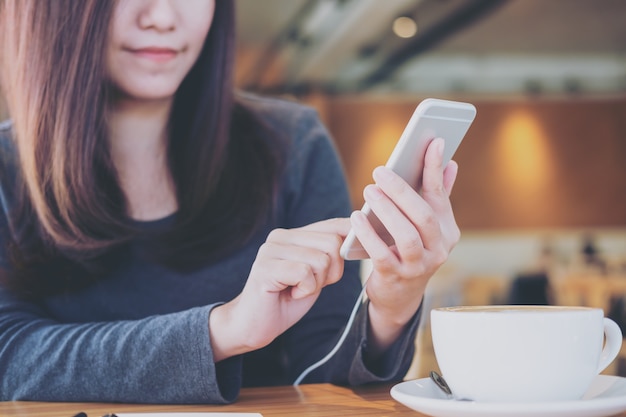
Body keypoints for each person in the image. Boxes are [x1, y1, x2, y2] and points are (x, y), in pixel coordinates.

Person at [0, 0, 460, 403]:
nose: (161, 16)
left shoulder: (292, 146)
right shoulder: (7, 168)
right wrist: (223, 330)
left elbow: (322, 379)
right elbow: (10, 356)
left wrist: (392, 305)